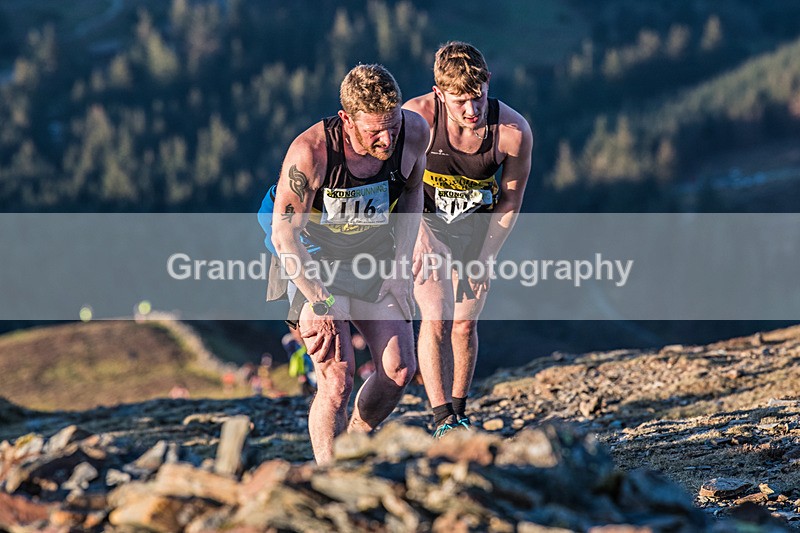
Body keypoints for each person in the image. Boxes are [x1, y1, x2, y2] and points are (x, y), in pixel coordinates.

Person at [267, 64, 429, 463]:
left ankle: (355, 442)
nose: (387, 138)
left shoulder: (414, 133)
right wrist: (320, 301)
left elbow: (411, 194)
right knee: (337, 379)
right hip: (312, 261)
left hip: (372, 255)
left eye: (391, 124)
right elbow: (283, 235)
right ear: (346, 119)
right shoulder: (311, 153)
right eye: (374, 130)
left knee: (398, 370)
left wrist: (399, 266)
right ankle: (328, 474)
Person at [403, 42, 533, 437]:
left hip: (477, 229)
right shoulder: (416, 119)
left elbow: (510, 199)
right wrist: (419, 234)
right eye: (460, 102)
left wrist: (486, 255)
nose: (471, 111)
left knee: (463, 324)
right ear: (439, 93)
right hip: (423, 223)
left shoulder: (512, 132)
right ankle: (441, 418)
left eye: (477, 98)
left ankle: (460, 411)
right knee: (438, 315)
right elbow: (395, 184)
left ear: (488, 83)